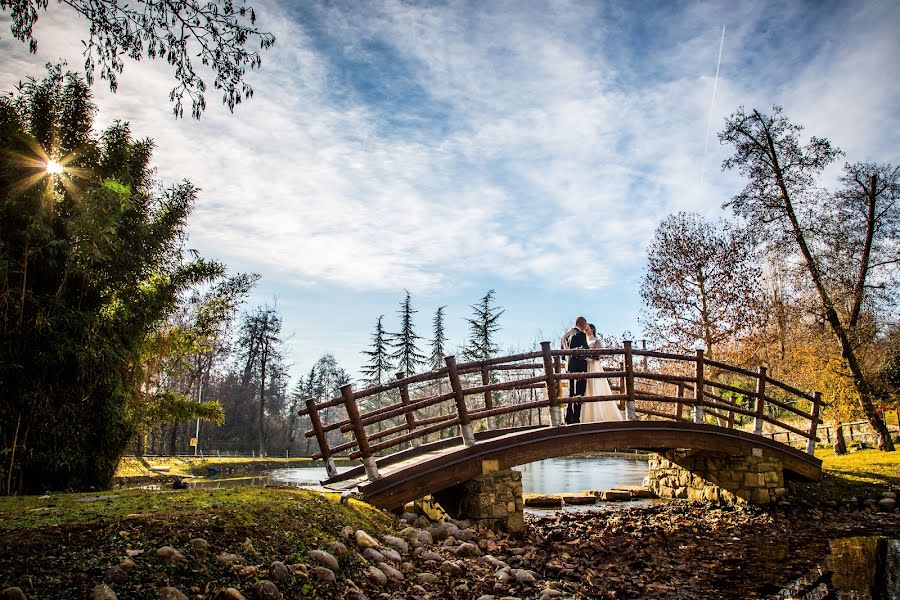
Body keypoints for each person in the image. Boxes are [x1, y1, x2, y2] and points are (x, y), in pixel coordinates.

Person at [581, 324, 623, 423]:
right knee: (588, 387)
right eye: (585, 329)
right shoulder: (584, 341)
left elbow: (598, 355)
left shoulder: (596, 341)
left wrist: (588, 356)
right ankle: (588, 415)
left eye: (587, 328)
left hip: (594, 365)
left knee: (597, 385)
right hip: (586, 366)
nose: (586, 330)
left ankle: (601, 414)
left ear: (592, 329)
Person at [564, 316, 590, 424]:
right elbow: (586, 352)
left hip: (568, 368)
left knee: (570, 393)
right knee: (579, 393)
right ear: (581, 323)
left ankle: (568, 418)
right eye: (586, 323)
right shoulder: (580, 335)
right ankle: (576, 419)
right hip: (579, 368)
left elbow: (562, 355)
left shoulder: (565, 336)